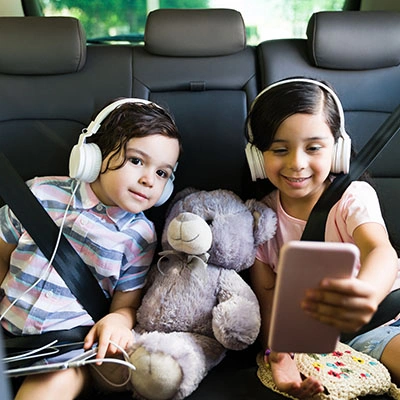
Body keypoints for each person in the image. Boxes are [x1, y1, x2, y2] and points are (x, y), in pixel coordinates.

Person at [0, 98, 182, 400]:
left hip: (65, 354)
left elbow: (126, 304)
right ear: (92, 155)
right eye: (136, 160)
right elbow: (2, 253)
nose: (149, 180)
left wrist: (118, 321)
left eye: (162, 173)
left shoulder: (140, 235)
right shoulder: (39, 194)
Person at [245, 77, 400, 398]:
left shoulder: (352, 197)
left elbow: (380, 251)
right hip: (373, 330)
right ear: (257, 157)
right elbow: (268, 302)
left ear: (338, 149)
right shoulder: (261, 221)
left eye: (313, 148)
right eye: (279, 149)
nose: (297, 163)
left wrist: (366, 294)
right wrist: (280, 356)